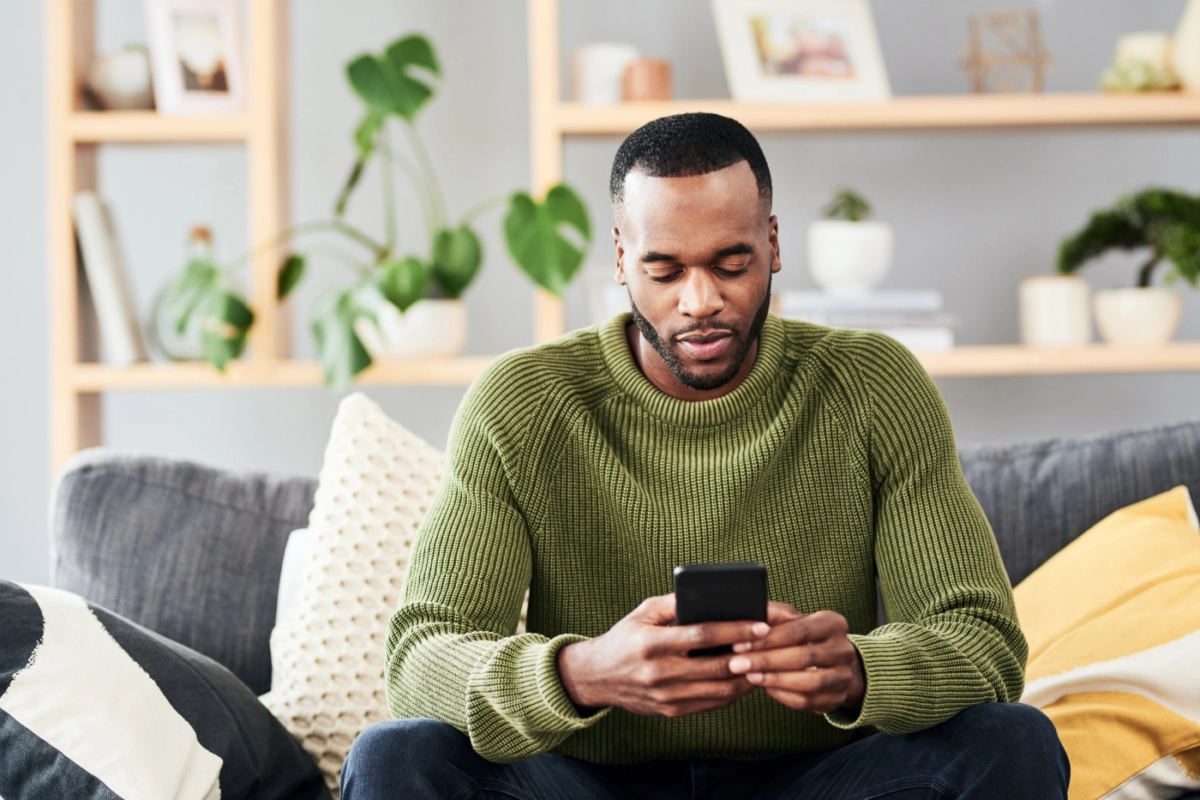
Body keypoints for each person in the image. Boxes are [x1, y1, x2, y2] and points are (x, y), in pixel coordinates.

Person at [341, 113, 1069, 799]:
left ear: (775, 244)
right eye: (664, 271)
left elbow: (982, 640)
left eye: (732, 262)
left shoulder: (873, 385)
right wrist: (581, 674)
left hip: (818, 779)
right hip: (587, 785)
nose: (701, 301)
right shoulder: (522, 400)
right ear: (622, 259)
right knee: (396, 756)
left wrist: (858, 672)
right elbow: (421, 659)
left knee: (1015, 741)